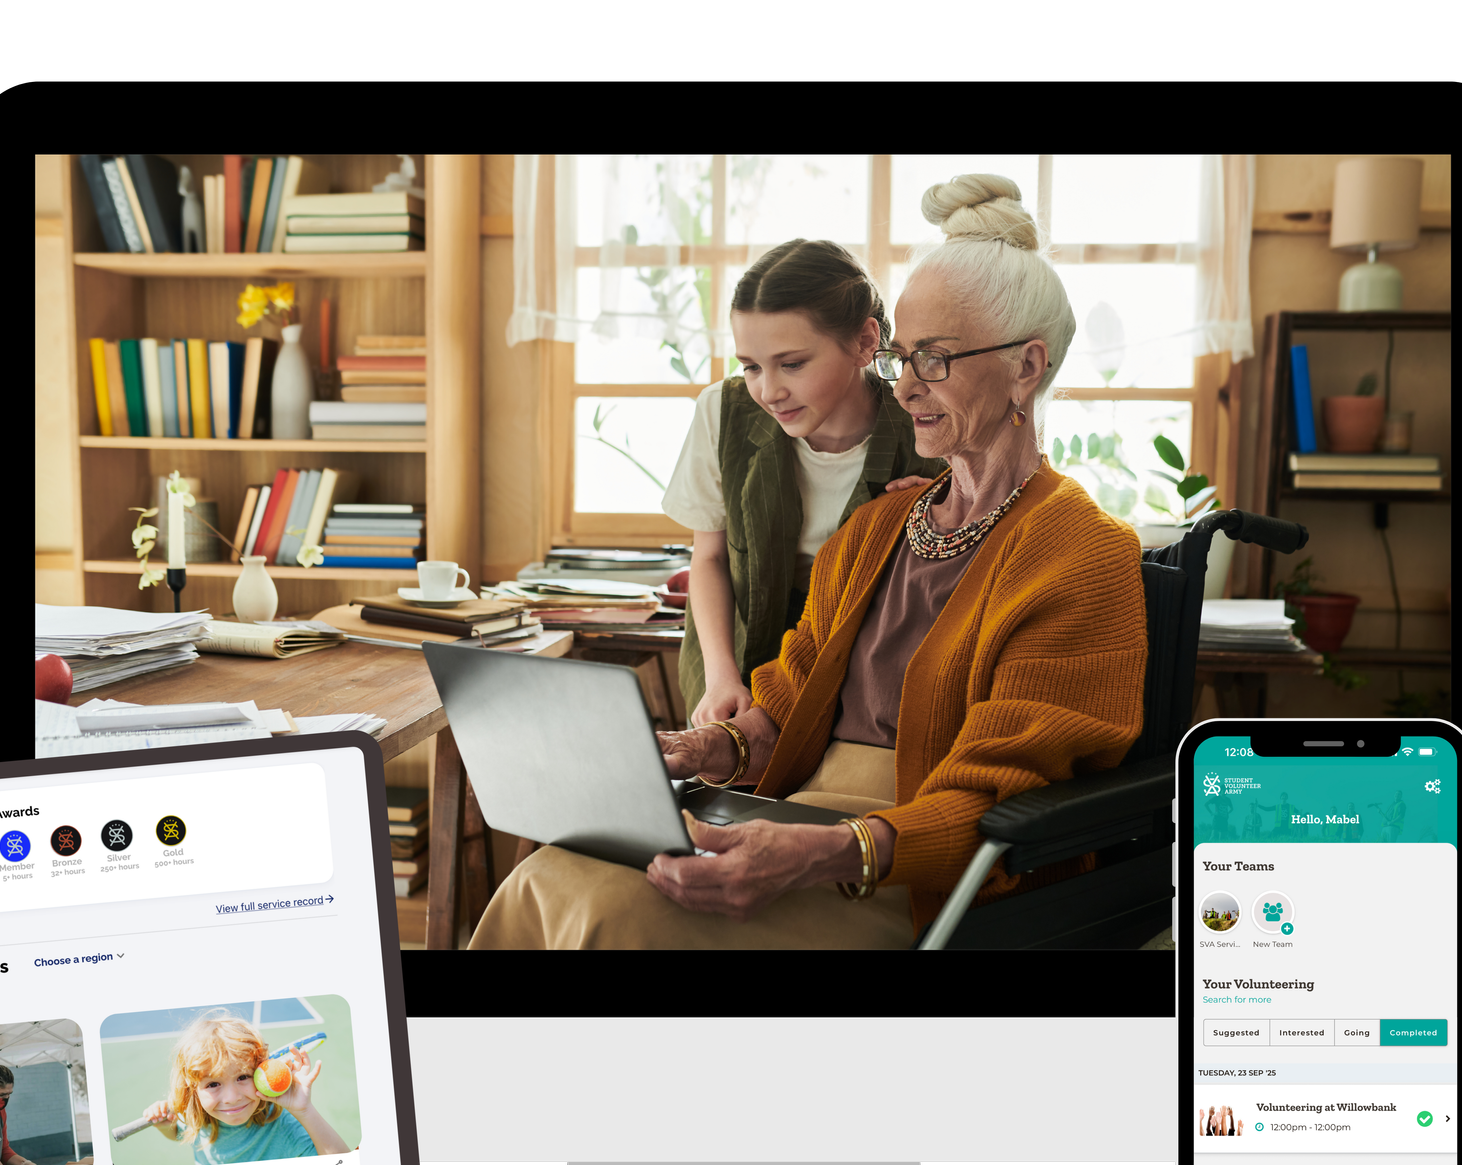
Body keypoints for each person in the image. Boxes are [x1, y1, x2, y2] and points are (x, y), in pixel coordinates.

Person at [473, 174, 1145, 949]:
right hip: (793, 815)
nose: (907, 386)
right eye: (901, 358)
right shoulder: (879, 527)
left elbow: (1002, 793)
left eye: (935, 360)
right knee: (548, 875)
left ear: (1028, 367)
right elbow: (788, 697)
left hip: (917, 870)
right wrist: (711, 747)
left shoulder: (1083, 551)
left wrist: (830, 850)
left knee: (609, 910)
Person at [665, 238, 940, 725]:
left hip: (867, 681)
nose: (769, 391)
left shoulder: (924, 420)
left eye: (792, 364)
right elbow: (708, 559)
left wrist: (935, 515)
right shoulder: (723, 411)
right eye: (751, 366)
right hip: (737, 658)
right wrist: (721, 678)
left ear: (863, 342)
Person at [135, 1009, 352, 1164]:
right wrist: (166, 1126)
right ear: (193, 1090)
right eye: (213, 1084)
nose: (231, 1097)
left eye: (242, 1077)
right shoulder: (197, 1116)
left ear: (260, 1072)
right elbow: (180, 1133)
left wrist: (304, 1110)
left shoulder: (281, 1125)